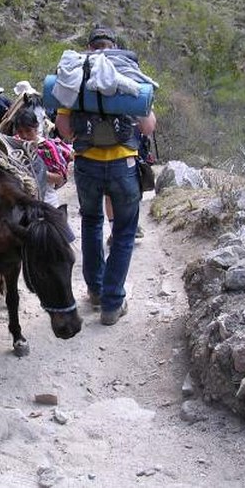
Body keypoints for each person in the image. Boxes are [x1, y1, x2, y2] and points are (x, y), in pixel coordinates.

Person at [55, 26, 157, 326]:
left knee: (91, 222)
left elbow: (64, 127)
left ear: (88, 47)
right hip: (123, 164)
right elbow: (148, 127)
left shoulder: (76, 75)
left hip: (86, 163)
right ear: (114, 47)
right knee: (124, 232)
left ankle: (96, 291)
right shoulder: (127, 71)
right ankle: (112, 305)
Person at [13, 107, 71, 208]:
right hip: (22, 203)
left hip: (47, 202)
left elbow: (60, 179)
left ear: (36, 128)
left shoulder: (48, 148)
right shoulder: (13, 146)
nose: (24, 135)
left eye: (28, 131)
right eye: (20, 132)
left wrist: (38, 172)